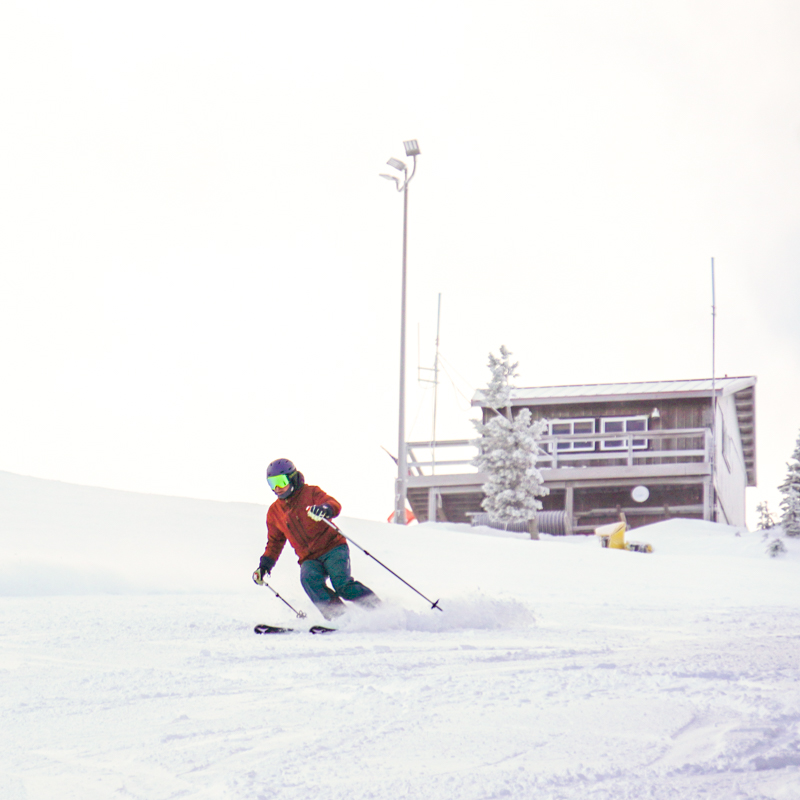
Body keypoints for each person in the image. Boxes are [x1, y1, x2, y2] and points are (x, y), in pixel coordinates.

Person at [253, 458, 378, 619]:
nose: (277, 488)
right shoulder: (275, 512)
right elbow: (275, 543)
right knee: (308, 580)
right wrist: (264, 566)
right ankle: (340, 617)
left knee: (342, 585)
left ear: (292, 478)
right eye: (272, 483)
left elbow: (333, 504)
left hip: (333, 548)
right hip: (309, 558)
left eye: (281, 482)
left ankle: (379, 609)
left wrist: (325, 509)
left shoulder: (310, 493)